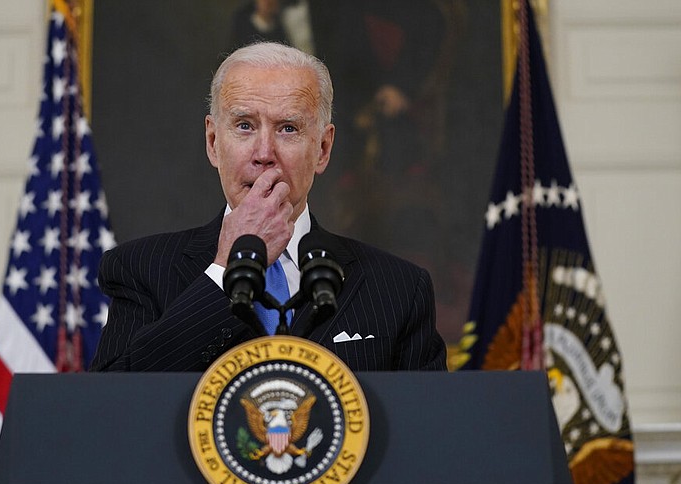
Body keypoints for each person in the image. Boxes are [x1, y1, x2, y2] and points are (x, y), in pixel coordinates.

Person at [90, 42, 446, 372]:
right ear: (213, 142)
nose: (264, 153)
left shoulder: (398, 289)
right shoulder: (141, 270)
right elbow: (114, 408)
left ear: (322, 148)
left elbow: (427, 428)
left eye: (288, 128)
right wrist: (224, 270)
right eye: (244, 126)